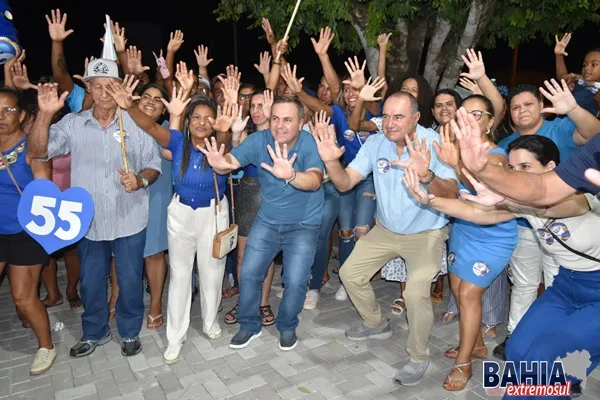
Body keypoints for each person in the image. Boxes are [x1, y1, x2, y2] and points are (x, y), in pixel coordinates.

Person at [408, 132, 600, 398]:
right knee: (517, 351)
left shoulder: (582, 195)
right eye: (512, 168)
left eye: (525, 167)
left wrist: (508, 198)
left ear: (551, 169)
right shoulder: (521, 203)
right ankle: (566, 380)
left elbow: (553, 206)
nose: (516, 175)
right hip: (567, 286)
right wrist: (428, 200)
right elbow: (475, 213)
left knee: (542, 358)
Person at [311, 91, 458, 386]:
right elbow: (345, 183)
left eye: (399, 117)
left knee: (416, 294)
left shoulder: (433, 143)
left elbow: (453, 194)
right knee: (350, 274)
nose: (389, 123)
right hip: (387, 229)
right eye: (386, 116)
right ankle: (377, 324)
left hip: (426, 231)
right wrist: (330, 162)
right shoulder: (377, 143)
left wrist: (427, 175)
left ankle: (418, 356)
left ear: (416, 118)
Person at [27, 57, 162, 359]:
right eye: (97, 86)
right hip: (88, 220)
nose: (103, 93)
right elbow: (37, 152)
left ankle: (128, 330)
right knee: (89, 281)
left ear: (119, 88)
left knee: (128, 279)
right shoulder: (73, 124)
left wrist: (139, 180)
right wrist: (45, 115)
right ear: (87, 87)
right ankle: (94, 331)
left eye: (110, 86)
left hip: (129, 216)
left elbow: (154, 165)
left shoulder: (135, 123)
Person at [106, 76, 236, 363]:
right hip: (180, 214)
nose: (202, 123)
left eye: (208, 118)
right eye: (197, 117)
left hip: (213, 213)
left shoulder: (223, 144)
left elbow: (224, 152)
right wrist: (129, 106)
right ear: (188, 121)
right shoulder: (177, 141)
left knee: (212, 272)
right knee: (179, 276)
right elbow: (151, 126)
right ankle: (175, 336)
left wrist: (224, 131)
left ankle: (210, 322)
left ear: (216, 122)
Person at [200, 96, 324, 351]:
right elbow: (229, 164)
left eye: (288, 119)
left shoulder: (308, 142)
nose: (279, 125)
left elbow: (314, 180)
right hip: (267, 220)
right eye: (275, 118)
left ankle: (287, 325)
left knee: (296, 280)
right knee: (249, 273)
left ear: (301, 122)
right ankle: (249, 324)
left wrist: (290, 174)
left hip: (304, 224)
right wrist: (219, 164)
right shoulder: (259, 140)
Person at [0, 88, 56, 375]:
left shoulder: (30, 149)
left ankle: (46, 345)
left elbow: (44, 186)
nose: (1, 117)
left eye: (8, 111)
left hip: (25, 232)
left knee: (23, 296)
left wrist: (45, 116)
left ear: (22, 115)